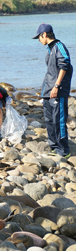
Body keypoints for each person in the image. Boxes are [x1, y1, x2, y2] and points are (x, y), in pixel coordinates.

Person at [34, 23, 73, 158]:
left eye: (39, 37)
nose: (39, 40)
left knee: (59, 120)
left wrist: (56, 86)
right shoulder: (49, 48)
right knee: (49, 120)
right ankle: (54, 146)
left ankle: (63, 150)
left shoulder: (59, 47)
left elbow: (65, 65)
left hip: (58, 90)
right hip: (47, 90)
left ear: (44, 34)